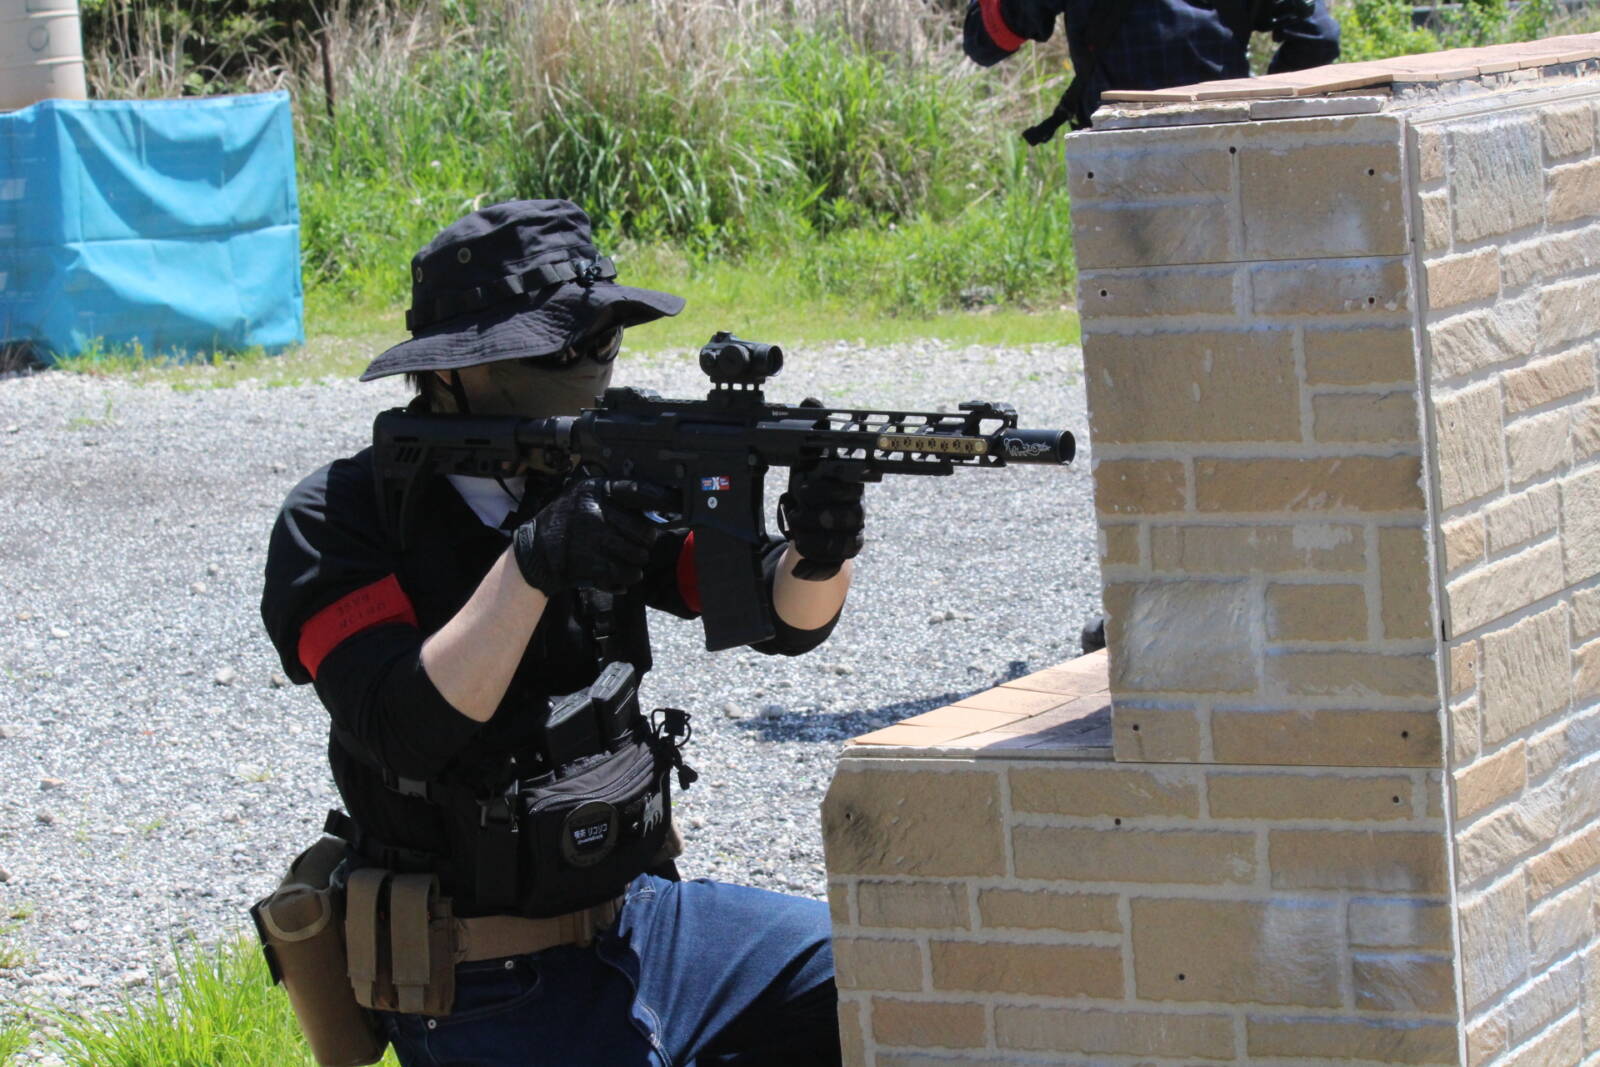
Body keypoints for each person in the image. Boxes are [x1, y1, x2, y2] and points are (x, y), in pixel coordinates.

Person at [259, 199, 864, 1065]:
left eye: (600, 337)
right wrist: (533, 563)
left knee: (880, 978)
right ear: (453, 369)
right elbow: (403, 723)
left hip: (643, 921)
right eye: (554, 345)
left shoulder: (591, 469)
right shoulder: (340, 518)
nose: (586, 363)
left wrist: (818, 550)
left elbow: (775, 614)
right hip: (476, 978)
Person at [963, 0, 1342, 141]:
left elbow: (984, 42)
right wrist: (1264, 112)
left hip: (1116, 149)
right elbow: (1318, 37)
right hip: (1229, 138)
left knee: (1125, 291)